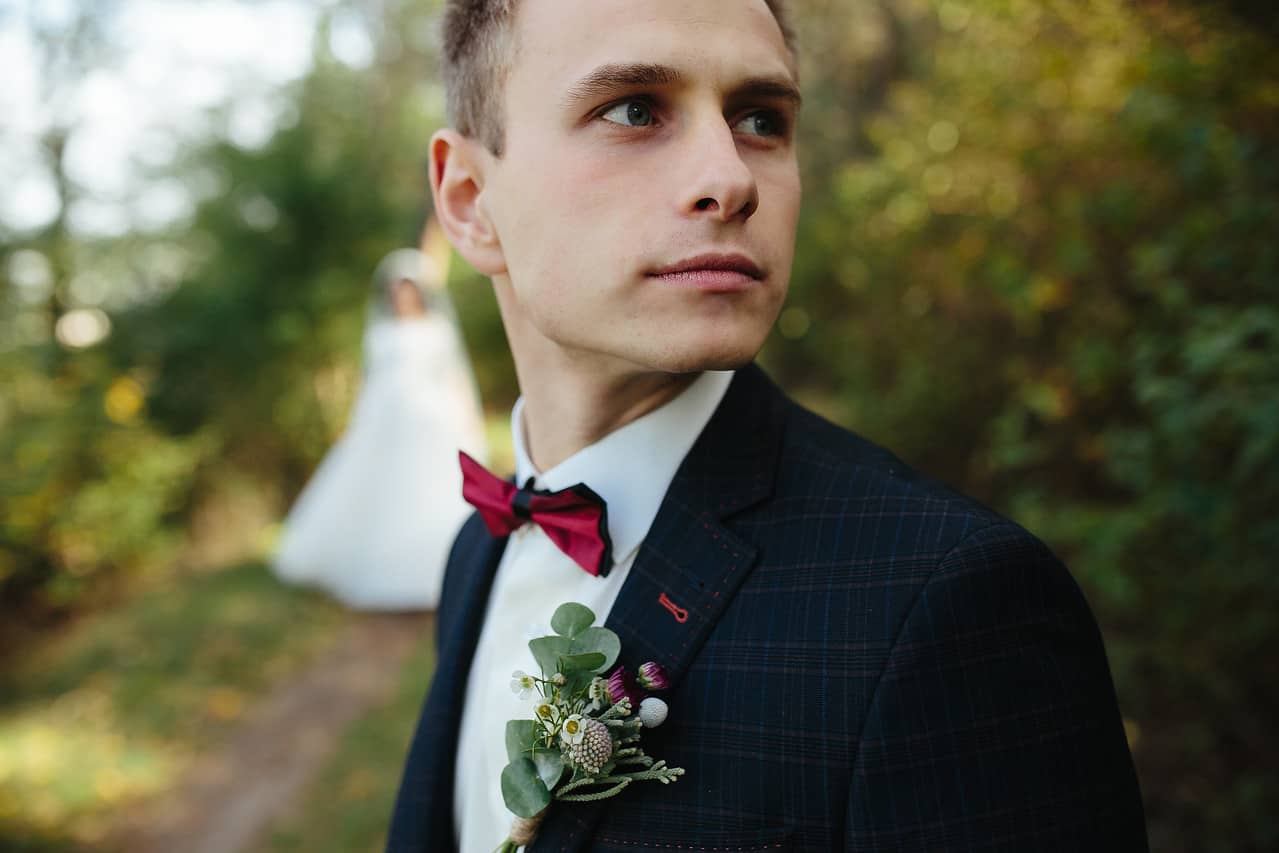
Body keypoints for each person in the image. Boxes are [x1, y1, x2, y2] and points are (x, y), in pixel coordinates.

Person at [388, 1, 1149, 850]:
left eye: (761, 120)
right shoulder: (475, 552)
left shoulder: (950, 604)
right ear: (469, 202)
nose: (732, 176)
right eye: (634, 110)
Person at [273, 248, 488, 611]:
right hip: (387, 421)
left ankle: (438, 572)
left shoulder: (437, 330)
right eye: (397, 289)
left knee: (433, 490)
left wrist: (468, 421)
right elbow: (370, 382)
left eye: (409, 288)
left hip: (432, 421)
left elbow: (454, 379)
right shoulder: (381, 332)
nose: (403, 295)